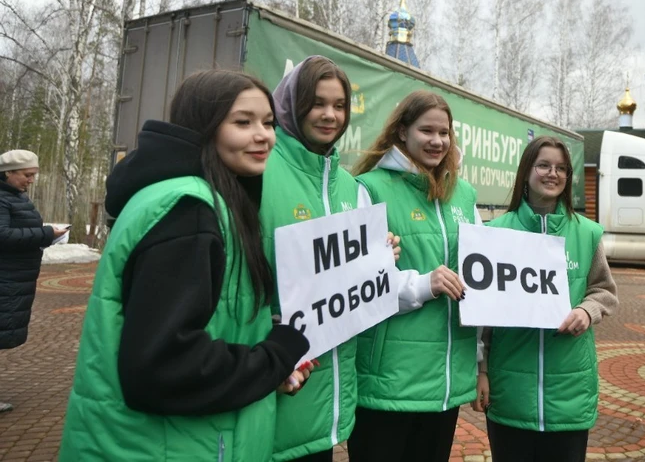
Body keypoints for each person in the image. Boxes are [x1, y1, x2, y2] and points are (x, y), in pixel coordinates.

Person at [60, 70, 312, 461]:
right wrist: (275, 356)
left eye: (268, 122)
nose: (263, 135)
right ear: (204, 127)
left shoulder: (194, 198)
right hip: (166, 447)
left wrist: (267, 373)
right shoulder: (190, 212)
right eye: (242, 122)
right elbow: (163, 366)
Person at [261, 56, 398, 462]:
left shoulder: (351, 188)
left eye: (339, 106)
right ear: (291, 104)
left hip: (328, 401)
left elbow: (354, 283)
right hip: (277, 385)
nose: (329, 115)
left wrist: (377, 256)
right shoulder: (260, 172)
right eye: (317, 103)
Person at [348, 90, 481, 462]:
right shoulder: (371, 189)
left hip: (445, 383)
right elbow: (359, 285)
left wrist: (481, 358)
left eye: (445, 132)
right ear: (402, 132)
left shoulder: (464, 195)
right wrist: (426, 284)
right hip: (389, 383)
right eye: (427, 130)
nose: (438, 141)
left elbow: (484, 280)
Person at [474, 135, 619, 462]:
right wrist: (481, 371)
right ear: (526, 172)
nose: (552, 174)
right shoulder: (496, 231)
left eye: (561, 168)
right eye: (543, 165)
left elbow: (604, 291)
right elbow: (482, 317)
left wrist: (587, 310)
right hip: (510, 388)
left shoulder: (586, 233)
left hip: (570, 389)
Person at [0, 149, 67, 412]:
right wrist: (45, 233)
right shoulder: (3, 199)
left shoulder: (13, 196)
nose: (31, 180)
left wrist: (46, 234)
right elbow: (3, 235)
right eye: (27, 175)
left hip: (12, 279)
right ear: (8, 173)